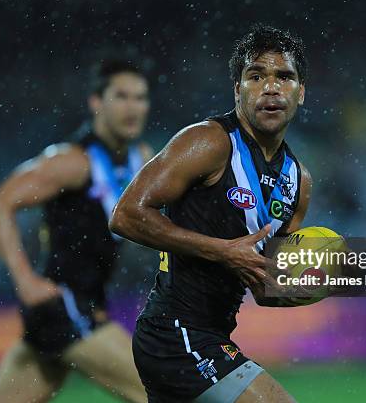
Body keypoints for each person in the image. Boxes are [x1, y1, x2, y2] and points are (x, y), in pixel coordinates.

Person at [110, 25, 312, 402]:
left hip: (211, 335)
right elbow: (125, 215)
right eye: (256, 76)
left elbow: (264, 287)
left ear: (301, 93)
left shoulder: (297, 182)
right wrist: (222, 250)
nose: (271, 87)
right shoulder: (208, 142)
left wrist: (304, 287)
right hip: (175, 333)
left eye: (284, 77)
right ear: (238, 90)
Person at [0, 59, 152, 403]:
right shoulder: (72, 160)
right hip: (63, 306)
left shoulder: (141, 158)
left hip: (78, 308)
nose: (133, 108)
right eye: (121, 96)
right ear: (96, 102)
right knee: (159, 391)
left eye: (140, 97)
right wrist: (25, 279)